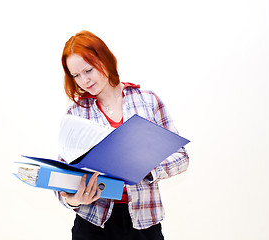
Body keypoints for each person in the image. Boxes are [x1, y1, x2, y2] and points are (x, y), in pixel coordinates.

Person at [55, 30, 189, 240]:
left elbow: (181, 157)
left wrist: (146, 169)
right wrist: (73, 199)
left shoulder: (147, 101)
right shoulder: (76, 113)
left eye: (88, 70)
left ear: (104, 59)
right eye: (76, 75)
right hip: (92, 225)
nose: (84, 80)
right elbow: (61, 174)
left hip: (144, 224)